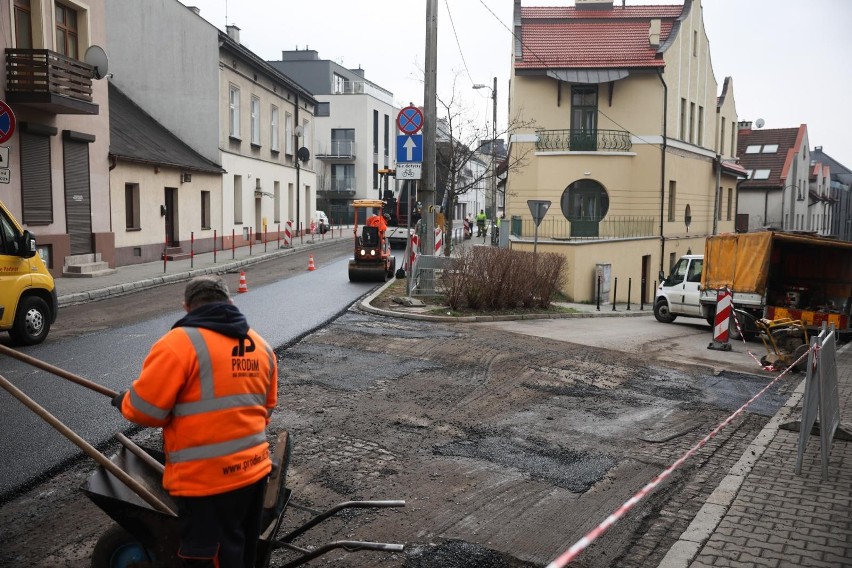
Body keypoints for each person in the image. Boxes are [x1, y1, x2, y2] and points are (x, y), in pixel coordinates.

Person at [112, 275, 278, 568]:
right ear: (229, 302)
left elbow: (145, 412)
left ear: (187, 307)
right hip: (254, 475)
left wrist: (125, 400)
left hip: (207, 485)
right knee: (241, 555)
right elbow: (266, 409)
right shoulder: (261, 346)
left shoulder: (178, 344)